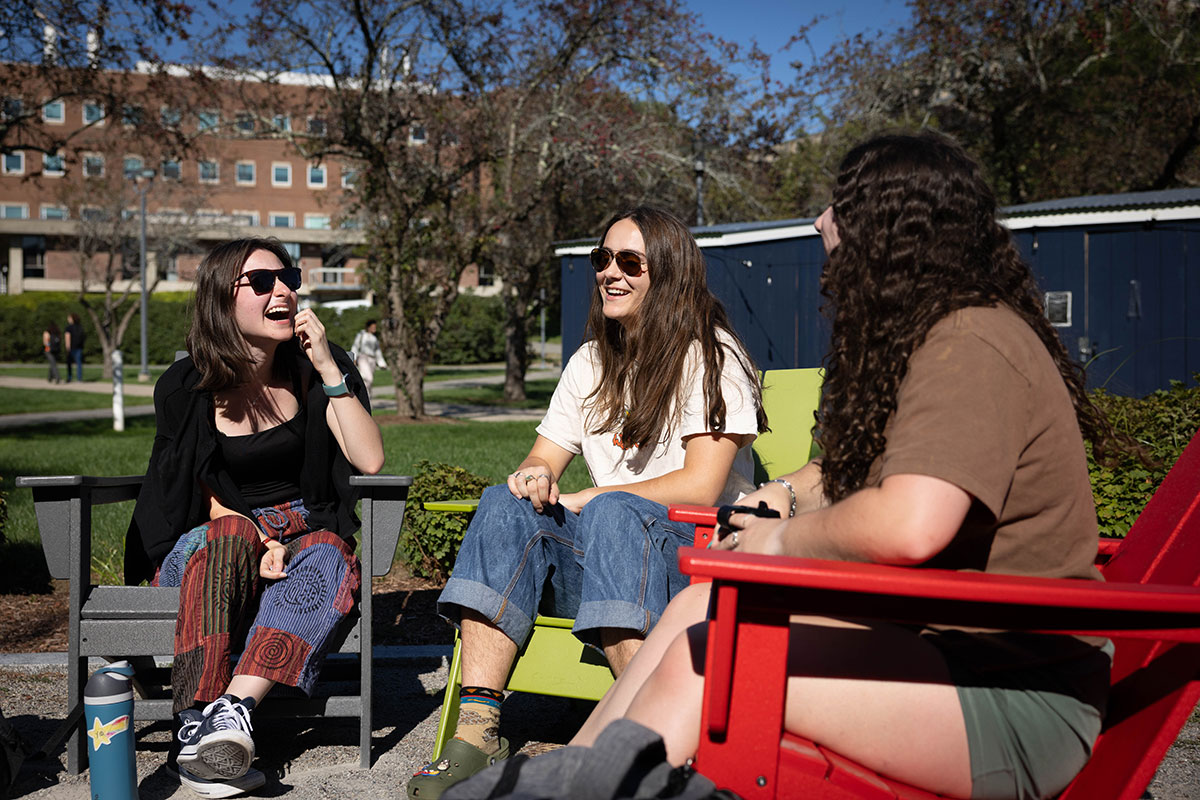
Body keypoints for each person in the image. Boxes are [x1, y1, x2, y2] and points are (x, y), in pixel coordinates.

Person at [562, 133, 1130, 800]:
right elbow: (845, 471)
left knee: (709, 661)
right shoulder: (933, 337)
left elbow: (910, 523)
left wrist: (779, 541)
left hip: (1011, 695)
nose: (818, 221)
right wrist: (778, 494)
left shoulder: (971, 342)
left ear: (888, 224)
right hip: (939, 653)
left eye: (837, 205)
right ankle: (560, 780)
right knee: (698, 607)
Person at [407, 205, 767, 799]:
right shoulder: (591, 362)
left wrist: (594, 496)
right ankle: (477, 731)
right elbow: (542, 458)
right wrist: (533, 478)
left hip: (693, 567)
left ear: (670, 274)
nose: (610, 273)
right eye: (602, 259)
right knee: (503, 502)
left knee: (611, 510)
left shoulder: (713, 355)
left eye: (630, 262)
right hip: (608, 557)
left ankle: (643, 739)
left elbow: (702, 485)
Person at [124, 237, 385, 798]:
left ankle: (231, 713)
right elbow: (193, 488)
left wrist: (327, 369)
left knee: (331, 556)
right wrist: (257, 535)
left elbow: (370, 460)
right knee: (231, 535)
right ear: (223, 298)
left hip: (305, 533)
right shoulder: (185, 385)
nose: (284, 290)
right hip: (207, 545)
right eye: (263, 282)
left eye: (288, 277)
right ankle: (194, 715)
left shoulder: (320, 368)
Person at [350, 319, 387, 393]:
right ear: (368, 327)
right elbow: (355, 346)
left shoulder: (375, 338)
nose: (374, 329)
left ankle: (367, 399)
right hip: (363, 358)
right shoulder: (361, 335)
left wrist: (382, 363)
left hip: (372, 360)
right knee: (368, 378)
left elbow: (377, 352)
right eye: (373, 327)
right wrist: (353, 358)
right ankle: (360, 392)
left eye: (375, 327)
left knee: (369, 381)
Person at [64, 312, 85, 383]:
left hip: (72, 347)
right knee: (79, 363)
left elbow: (67, 338)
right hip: (79, 347)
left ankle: (69, 377)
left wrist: (67, 347)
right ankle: (79, 378)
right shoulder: (80, 327)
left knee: (69, 363)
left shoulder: (69, 328)